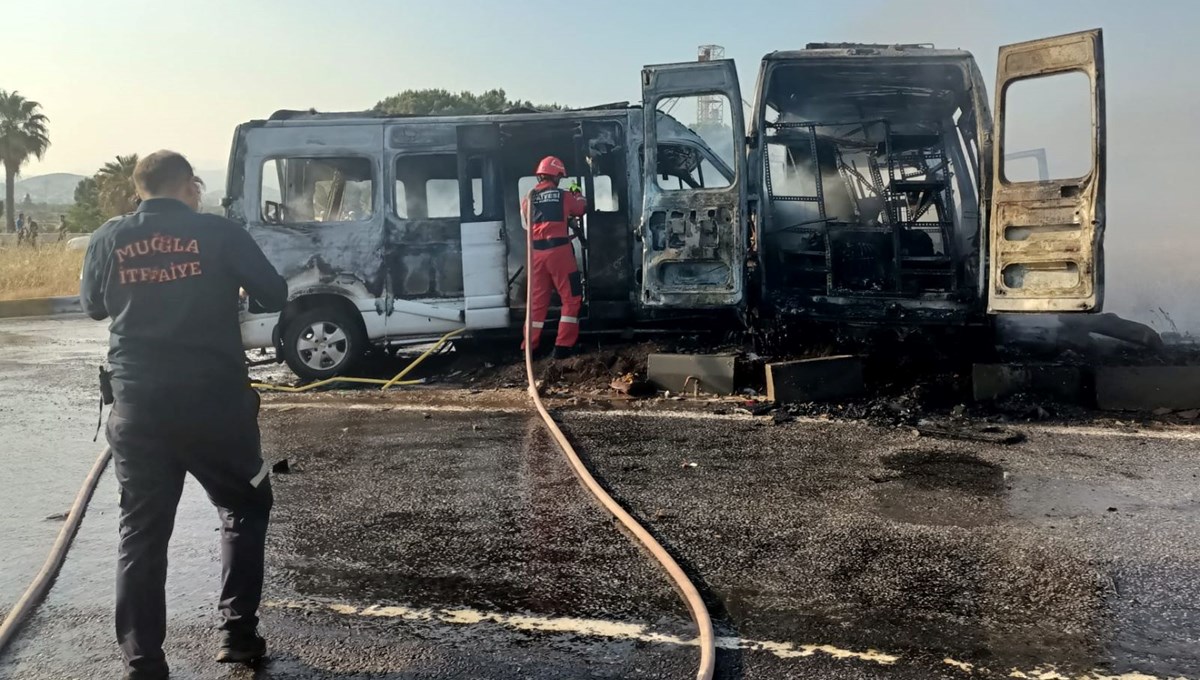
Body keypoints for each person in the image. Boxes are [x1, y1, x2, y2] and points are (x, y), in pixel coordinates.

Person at [80, 150, 288, 680]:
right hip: (214, 402)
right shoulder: (217, 233)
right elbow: (275, 292)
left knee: (142, 531)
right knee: (243, 504)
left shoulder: (109, 236)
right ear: (190, 186)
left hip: (138, 404)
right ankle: (238, 635)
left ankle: (143, 662)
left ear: (139, 189)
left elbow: (93, 307)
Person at [520, 156, 587, 359]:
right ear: (557, 176)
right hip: (558, 253)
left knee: (538, 301)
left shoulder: (528, 199)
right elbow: (580, 208)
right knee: (572, 298)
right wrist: (578, 194)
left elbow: (530, 220)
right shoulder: (563, 195)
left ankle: (529, 348)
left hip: (536, 255)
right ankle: (563, 347)